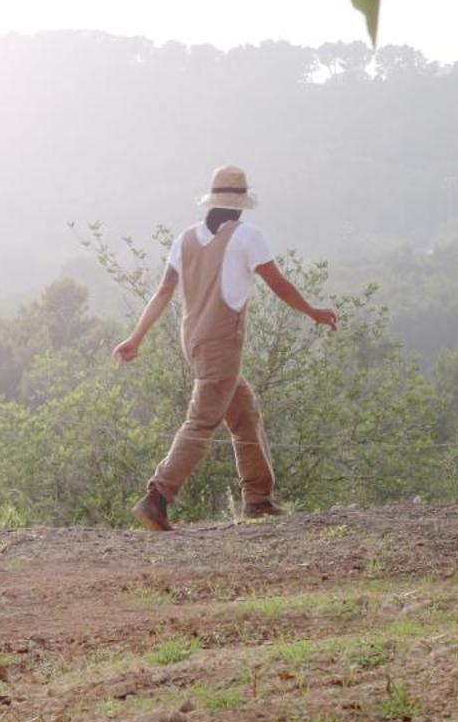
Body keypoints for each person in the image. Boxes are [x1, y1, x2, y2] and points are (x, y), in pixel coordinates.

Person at [113, 164, 338, 531]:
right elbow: (279, 286)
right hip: (222, 343)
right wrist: (313, 312)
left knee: (245, 412)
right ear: (241, 204)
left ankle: (259, 499)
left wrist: (135, 339)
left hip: (195, 341)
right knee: (201, 421)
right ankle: (157, 496)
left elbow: (164, 293)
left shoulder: (185, 238)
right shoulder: (248, 236)